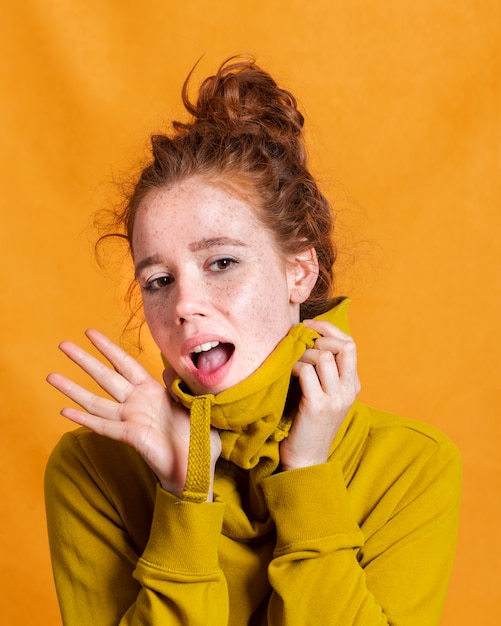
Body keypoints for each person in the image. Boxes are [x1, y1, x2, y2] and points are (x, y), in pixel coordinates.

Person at [45, 57, 461, 626]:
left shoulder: (411, 466)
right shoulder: (91, 469)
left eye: (221, 262)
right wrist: (184, 494)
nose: (184, 305)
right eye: (159, 281)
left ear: (300, 272)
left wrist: (308, 474)